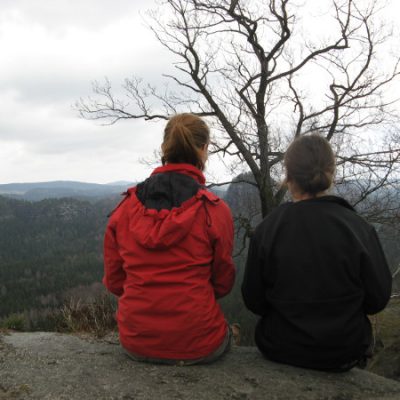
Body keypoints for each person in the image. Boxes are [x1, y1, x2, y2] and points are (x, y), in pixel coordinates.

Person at [241, 134, 392, 372]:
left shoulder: (267, 229)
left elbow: (254, 300)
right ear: (331, 172)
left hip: (280, 346)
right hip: (344, 350)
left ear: (288, 176)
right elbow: (378, 299)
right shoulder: (358, 228)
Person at [103, 113, 235, 365]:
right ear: (204, 149)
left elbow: (115, 281)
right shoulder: (214, 210)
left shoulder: (124, 209)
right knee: (228, 332)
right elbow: (223, 282)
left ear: (164, 148)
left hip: (136, 341)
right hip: (199, 343)